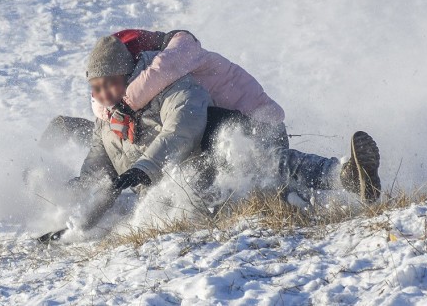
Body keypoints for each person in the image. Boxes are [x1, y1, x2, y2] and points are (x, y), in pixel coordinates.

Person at [38, 30, 381, 242]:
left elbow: (183, 128)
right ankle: (291, 198)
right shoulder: (108, 119)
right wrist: (73, 228)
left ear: (128, 73)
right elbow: (100, 178)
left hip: (247, 136)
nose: (101, 93)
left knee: (246, 154)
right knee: (246, 184)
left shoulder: (172, 82)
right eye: (94, 88)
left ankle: (344, 175)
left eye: (109, 82)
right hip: (194, 180)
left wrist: (143, 167)